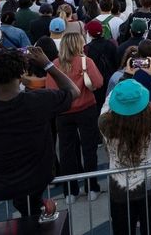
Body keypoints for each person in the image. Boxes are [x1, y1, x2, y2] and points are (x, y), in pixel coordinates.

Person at [0, 48, 79, 216]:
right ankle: (37, 209)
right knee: (28, 204)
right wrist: (48, 64)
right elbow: (73, 91)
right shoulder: (39, 101)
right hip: (38, 178)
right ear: (22, 73)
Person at [99, 65, 151, 235]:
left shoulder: (105, 124)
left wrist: (127, 75)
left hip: (119, 189)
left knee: (122, 230)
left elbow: (108, 101)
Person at [45, 32, 104, 203]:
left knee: (66, 152)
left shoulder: (55, 65)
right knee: (89, 149)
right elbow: (98, 82)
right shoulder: (86, 62)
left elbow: (50, 89)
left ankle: (70, 191)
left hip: (63, 113)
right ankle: (92, 187)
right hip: (86, 109)